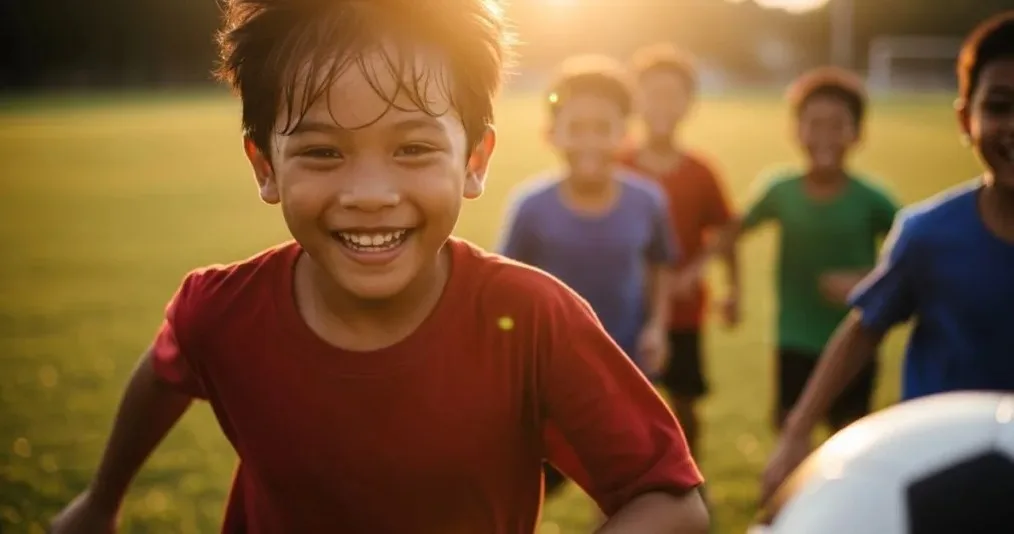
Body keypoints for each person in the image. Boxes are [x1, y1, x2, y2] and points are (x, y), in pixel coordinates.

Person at [48, 1, 710, 533]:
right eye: (324, 153)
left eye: (414, 147)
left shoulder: (536, 319)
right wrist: (102, 500)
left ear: (475, 161)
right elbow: (165, 372)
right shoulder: (218, 311)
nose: (370, 193)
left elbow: (670, 499)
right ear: (265, 166)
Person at [760, 11, 1014, 504]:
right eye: (1000, 106)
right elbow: (863, 329)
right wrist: (796, 433)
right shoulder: (930, 234)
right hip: (938, 470)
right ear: (966, 118)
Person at [499, 55, 677, 498]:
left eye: (603, 128)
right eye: (576, 128)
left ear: (626, 134)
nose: (590, 142)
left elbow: (660, 264)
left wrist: (657, 326)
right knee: (530, 489)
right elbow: (503, 287)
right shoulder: (531, 207)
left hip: (626, 365)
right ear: (551, 134)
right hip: (549, 377)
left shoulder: (648, 201)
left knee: (627, 491)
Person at [711, 67, 900, 436]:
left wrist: (867, 282)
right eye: (814, 123)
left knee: (849, 437)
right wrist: (731, 290)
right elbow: (728, 233)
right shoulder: (780, 191)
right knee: (789, 430)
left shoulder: (872, 200)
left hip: (854, 341)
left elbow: (913, 260)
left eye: (837, 125)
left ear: (857, 133)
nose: (824, 136)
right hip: (794, 338)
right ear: (795, 130)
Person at [620, 43, 738, 459]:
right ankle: (629, 491)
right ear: (635, 100)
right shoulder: (618, 165)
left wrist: (722, 282)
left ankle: (691, 477)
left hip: (685, 308)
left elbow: (725, 230)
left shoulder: (701, 171)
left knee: (685, 401)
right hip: (626, 308)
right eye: (652, 93)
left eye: (673, 94)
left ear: (690, 103)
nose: (661, 104)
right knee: (626, 405)